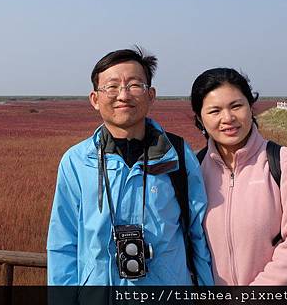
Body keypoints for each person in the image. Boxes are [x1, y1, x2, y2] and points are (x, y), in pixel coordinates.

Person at [47, 47, 213, 286]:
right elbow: (62, 244)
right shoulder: (77, 161)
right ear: (95, 99)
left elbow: (198, 234)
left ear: (151, 95)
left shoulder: (177, 154)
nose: (123, 95)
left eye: (135, 85)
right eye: (111, 87)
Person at [190, 67, 287, 285]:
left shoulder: (286, 164)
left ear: (251, 108)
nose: (228, 118)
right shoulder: (195, 169)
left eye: (236, 106)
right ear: (200, 119)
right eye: (214, 111)